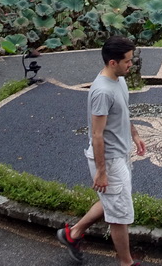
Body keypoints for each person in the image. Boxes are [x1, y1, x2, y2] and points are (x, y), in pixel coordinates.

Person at [57, 36, 147, 266]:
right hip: (109, 159)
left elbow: (123, 112)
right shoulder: (102, 92)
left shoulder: (119, 80)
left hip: (120, 153)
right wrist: (101, 171)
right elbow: (97, 134)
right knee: (119, 216)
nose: (131, 64)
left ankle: (73, 234)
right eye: (127, 61)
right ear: (112, 62)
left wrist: (134, 135)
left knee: (114, 201)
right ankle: (126, 262)